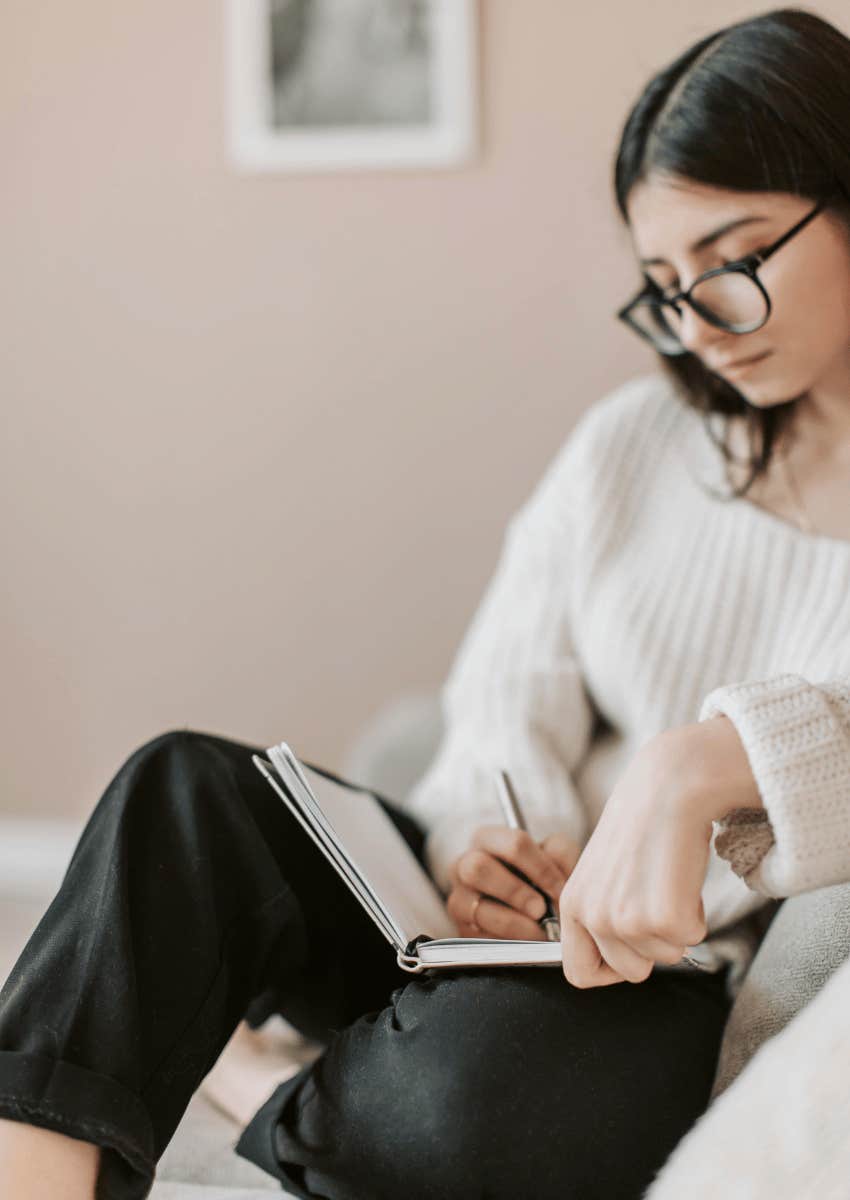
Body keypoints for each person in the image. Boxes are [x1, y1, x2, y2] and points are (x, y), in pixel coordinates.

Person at [3, 7, 850, 1198]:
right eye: (663, 284)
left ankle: (255, 1084)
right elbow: (505, 689)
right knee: (180, 794)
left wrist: (697, 766)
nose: (698, 322)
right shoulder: (633, 446)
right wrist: (485, 845)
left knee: (461, 1115)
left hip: (659, 990)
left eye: (735, 258)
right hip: (488, 931)